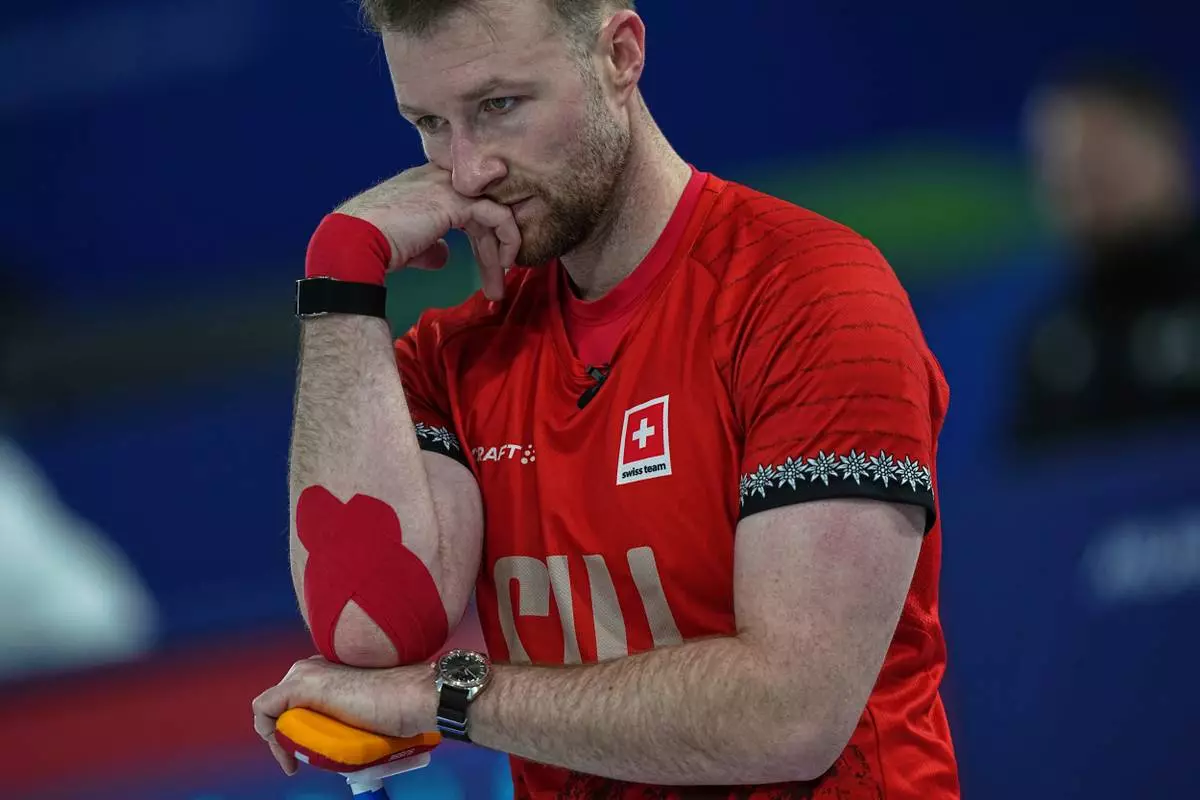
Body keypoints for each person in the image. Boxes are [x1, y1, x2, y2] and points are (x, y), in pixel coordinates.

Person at [252, 1, 959, 797]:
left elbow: (790, 714)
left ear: (620, 56)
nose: (467, 169)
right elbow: (369, 634)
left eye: (499, 106)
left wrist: (445, 695)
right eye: (429, 123)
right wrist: (341, 272)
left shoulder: (812, 296)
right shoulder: (453, 356)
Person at [1012, 61, 1200, 446]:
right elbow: (1028, 489)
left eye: (1103, 157)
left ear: (1171, 151)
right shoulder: (1049, 339)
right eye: (1060, 167)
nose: (1081, 183)